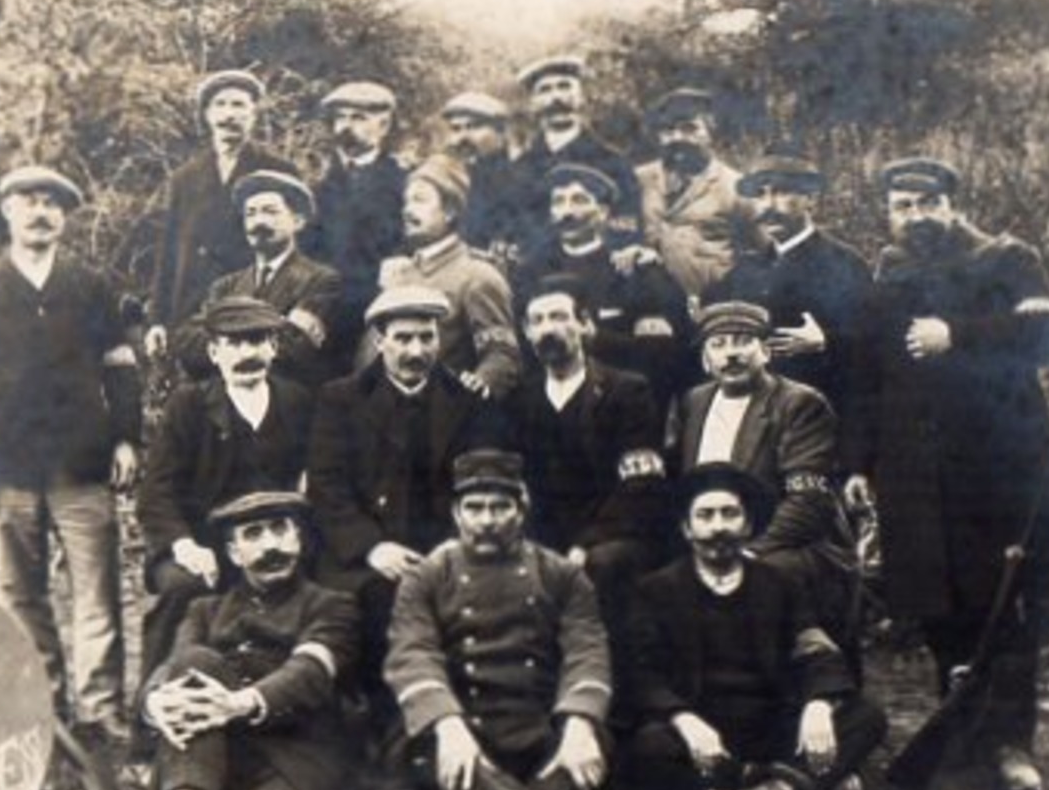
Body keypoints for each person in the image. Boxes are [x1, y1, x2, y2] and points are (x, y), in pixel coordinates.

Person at [844, 156, 1049, 790]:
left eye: (927, 203)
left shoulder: (1005, 259)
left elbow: (1048, 336)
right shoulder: (887, 276)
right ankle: (960, 730)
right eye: (902, 206)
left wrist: (959, 333)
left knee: (1003, 600)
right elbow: (866, 376)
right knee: (938, 601)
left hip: (998, 465)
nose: (915, 218)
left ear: (952, 203)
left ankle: (1010, 745)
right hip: (913, 471)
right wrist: (858, 464)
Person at [0, 166, 141, 737]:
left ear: (65, 216)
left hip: (83, 466)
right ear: (7, 211)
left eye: (53, 203)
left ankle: (102, 711)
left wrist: (127, 437)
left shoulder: (90, 284)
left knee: (97, 593)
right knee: (20, 595)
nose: (41, 212)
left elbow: (120, 367)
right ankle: (42, 710)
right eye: (29, 201)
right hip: (8, 469)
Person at [136, 491, 361, 790]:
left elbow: (311, 671)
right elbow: (171, 668)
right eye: (253, 535)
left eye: (281, 529)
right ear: (234, 553)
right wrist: (154, 702)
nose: (270, 544)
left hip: (298, 755)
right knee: (192, 665)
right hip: (215, 753)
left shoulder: (331, 605)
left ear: (299, 539)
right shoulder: (204, 609)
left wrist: (242, 702)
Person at [384, 449, 612, 790]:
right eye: (474, 507)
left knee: (592, 744)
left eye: (500, 506)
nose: (486, 520)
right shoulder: (427, 575)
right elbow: (412, 652)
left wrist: (580, 722)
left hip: (539, 727)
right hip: (467, 725)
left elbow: (588, 648)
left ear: (521, 509)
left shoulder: (561, 574)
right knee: (436, 751)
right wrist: (448, 725)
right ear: (456, 513)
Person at [626, 464, 886, 790]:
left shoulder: (778, 582)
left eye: (730, 514)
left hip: (771, 726)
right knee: (646, 748)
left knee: (867, 716)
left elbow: (815, 649)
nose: (718, 526)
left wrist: (818, 705)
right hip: (703, 734)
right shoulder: (656, 590)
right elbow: (642, 674)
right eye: (705, 515)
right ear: (686, 529)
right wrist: (684, 720)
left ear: (748, 526)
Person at [305, 286, 502, 706]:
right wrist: (372, 548)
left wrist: (455, 546)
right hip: (364, 555)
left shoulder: (467, 401)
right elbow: (327, 485)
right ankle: (382, 721)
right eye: (403, 338)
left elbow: (479, 482)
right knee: (378, 600)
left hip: (444, 547)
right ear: (380, 341)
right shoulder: (341, 399)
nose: (416, 350)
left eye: (427, 337)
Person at [505, 274, 667, 725]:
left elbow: (639, 486)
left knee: (605, 567)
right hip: (543, 537)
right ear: (525, 332)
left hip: (616, 535)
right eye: (536, 321)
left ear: (585, 325)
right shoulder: (518, 400)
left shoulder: (626, 390)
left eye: (558, 317)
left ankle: (616, 714)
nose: (547, 329)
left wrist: (587, 542)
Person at [135, 295, 316, 688]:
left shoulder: (296, 401)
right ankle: (150, 713)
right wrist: (185, 546)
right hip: (205, 545)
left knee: (326, 588)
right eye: (233, 343)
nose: (246, 353)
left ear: (273, 347)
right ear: (214, 352)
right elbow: (156, 492)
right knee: (182, 588)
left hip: (276, 540)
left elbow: (311, 477)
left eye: (256, 341)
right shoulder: (189, 405)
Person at [665, 302, 858, 667]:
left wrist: (745, 552)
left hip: (792, 545)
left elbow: (807, 503)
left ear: (766, 351)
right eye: (718, 344)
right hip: (716, 537)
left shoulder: (799, 404)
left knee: (763, 579)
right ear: (706, 359)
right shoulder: (694, 402)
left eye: (743, 342)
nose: (731, 354)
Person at [704, 150, 871, 428]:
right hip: (752, 419)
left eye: (781, 192)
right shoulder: (747, 268)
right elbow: (705, 317)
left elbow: (872, 345)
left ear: (811, 199)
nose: (768, 205)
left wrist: (827, 341)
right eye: (759, 194)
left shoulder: (844, 264)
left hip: (819, 413)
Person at [140, 70, 296, 362]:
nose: (230, 114)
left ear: (253, 113)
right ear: (208, 115)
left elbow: (295, 247)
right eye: (221, 105)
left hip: (254, 303)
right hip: (192, 309)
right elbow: (169, 252)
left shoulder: (278, 171)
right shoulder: (185, 179)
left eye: (239, 105)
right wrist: (158, 320)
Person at [512, 163, 691, 402]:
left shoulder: (629, 267)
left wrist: (599, 340)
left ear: (603, 211)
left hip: (617, 400)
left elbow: (659, 353)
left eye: (579, 200)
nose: (567, 212)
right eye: (559, 202)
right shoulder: (531, 271)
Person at [375, 155, 520, 398]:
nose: (407, 210)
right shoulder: (397, 274)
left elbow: (502, 355)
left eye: (419, 200)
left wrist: (478, 385)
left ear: (450, 211)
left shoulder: (478, 276)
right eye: (406, 201)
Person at [302, 81, 408, 369]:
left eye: (358, 118)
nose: (346, 126)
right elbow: (308, 254)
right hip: (326, 316)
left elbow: (410, 246)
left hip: (381, 313)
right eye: (341, 118)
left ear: (383, 126)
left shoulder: (404, 184)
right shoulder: (319, 189)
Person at [200, 170, 341, 385]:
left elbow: (295, 350)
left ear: (298, 221)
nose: (258, 222)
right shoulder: (225, 286)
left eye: (270, 212)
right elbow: (192, 345)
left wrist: (227, 338)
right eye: (251, 213)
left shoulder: (320, 280)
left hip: (290, 405)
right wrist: (276, 325)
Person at [623, 88, 751, 300]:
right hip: (652, 311)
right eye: (668, 130)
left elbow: (763, 255)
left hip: (714, 310)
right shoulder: (639, 181)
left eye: (689, 128)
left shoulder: (737, 186)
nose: (677, 138)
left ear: (711, 132)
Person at [509, 55, 639, 251]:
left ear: (581, 97)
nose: (556, 97)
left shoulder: (613, 161)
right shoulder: (519, 168)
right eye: (545, 90)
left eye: (565, 86)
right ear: (532, 103)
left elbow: (626, 224)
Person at [439, 91, 523, 259]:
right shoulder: (444, 183)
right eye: (456, 129)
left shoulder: (521, 182)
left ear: (500, 132)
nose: (463, 137)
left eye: (473, 127)